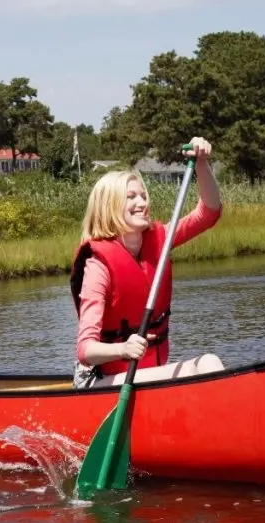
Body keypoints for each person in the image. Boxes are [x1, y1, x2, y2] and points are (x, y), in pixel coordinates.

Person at [69, 136, 226, 389]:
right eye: (131, 197)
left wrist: (202, 164)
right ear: (109, 207)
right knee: (200, 371)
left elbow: (208, 213)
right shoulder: (97, 266)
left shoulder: (160, 239)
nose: (143, 203)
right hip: (100, 381)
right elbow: (86, 349)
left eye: (143, 196)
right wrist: (123, 348)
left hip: (145, 374)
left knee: (208, 363)